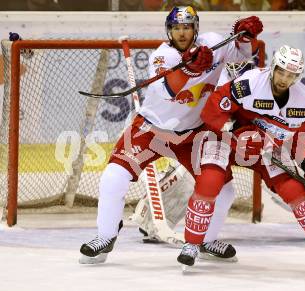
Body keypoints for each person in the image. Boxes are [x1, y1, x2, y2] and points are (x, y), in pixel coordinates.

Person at [79, 5, 263, 264]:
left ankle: (206, 240)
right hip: (151, 129)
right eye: (177, 28)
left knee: (224, 190)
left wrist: (245, 35)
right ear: (169, 31)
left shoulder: (212, 43)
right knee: (113, 177)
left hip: (195, 133)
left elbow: (242, 54)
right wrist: (190, 69)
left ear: (195, 28)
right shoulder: (162, 56)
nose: (182, 32)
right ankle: (105, 236)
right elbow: (170, 90)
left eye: (187, 27)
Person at [177, 45, 305, 271]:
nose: (285, 79)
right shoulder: (250, 83)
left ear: (299, 76)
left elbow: (304, 140)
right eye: (282, 72)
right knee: (210, 181)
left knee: (294, 190)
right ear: (273, 67)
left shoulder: (302, 100)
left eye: (292, 75)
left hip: (264, 146)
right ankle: (192, 245)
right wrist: (233, 132)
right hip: (226, 139)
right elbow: (213, 107)